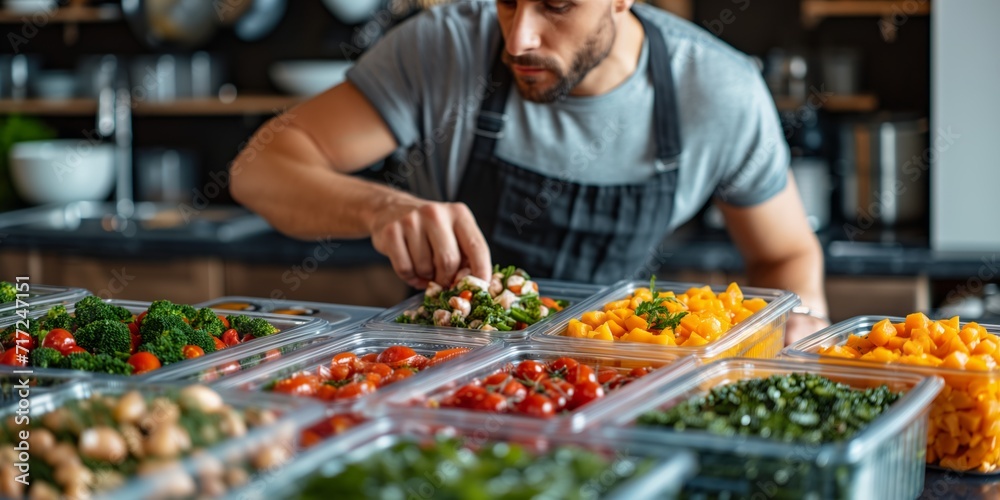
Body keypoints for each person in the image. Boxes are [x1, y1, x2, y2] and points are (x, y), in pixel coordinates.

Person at [230, 0, 830, 343]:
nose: (519, 38)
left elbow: (784, 256)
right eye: (508, 1)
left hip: (617, 380)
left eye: (557, 5)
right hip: (447, 374)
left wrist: (800, 323)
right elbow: (259, 168)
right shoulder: (442, 51)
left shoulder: (718, 91)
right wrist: (380, 207)